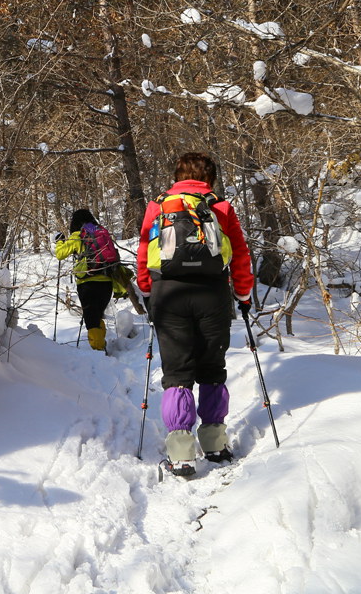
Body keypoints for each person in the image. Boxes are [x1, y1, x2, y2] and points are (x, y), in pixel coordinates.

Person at [135, 152, 253, 477]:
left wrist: (147, 291)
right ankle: (215, 444)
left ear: (177, 174)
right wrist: (242, 294)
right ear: (209, 177)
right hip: (212, 294)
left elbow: (145, 251)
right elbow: (240, 254)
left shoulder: (158, 206)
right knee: (212, 368)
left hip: (168, 294)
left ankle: (181, 453)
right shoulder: (221, 206)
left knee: (177, 372)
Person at [54, 209, 126, 352]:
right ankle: (100, 344)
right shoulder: (100, 231)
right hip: (106, 280)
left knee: (91, 319)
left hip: (87, 282)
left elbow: (60, 254)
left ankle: (98, 350)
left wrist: (59, 242)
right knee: (97, 314)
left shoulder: (78, 235)